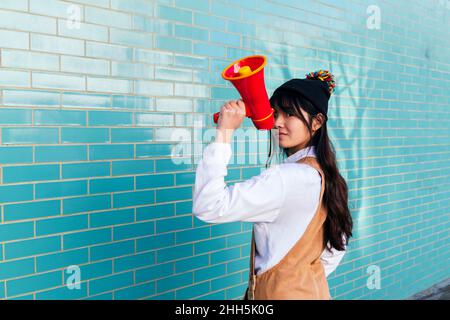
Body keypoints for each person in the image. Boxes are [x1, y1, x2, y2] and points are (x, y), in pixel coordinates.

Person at [192, 70, 353, 300]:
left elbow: (208, 205)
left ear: (317, 121)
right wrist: (299, 278)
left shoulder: (286, 178)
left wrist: (224, 133)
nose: (278, 122)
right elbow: (336, 247)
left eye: (289, 114)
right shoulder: (329, 176)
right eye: (276, 113)